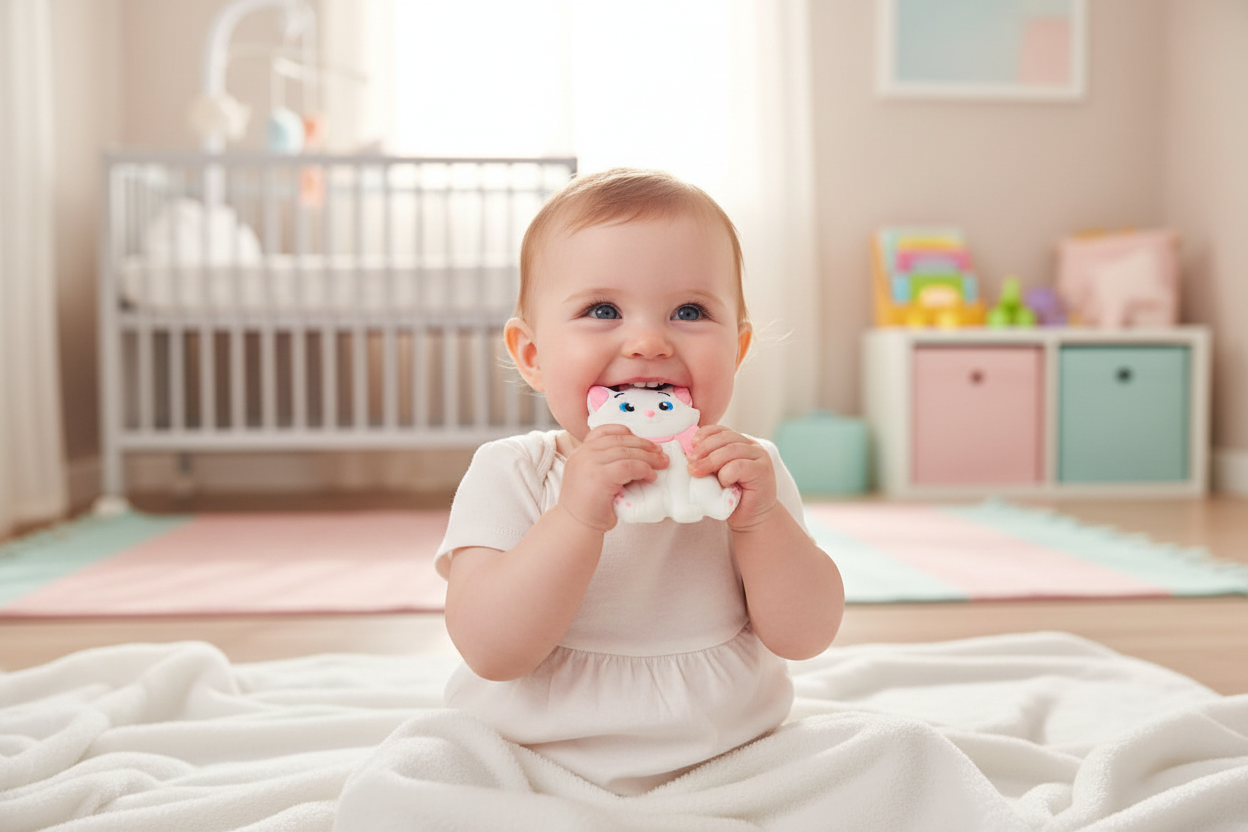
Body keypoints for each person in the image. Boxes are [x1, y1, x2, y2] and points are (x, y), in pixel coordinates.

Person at [434, 168, 844, 795]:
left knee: (888, 760)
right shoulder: (512, 472)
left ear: (736, 351)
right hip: (534, 757)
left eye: (689, 311)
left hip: (727, 757)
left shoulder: (745, 470)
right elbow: (492, 650)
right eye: (603, 310)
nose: (649, 340)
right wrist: (574, 518)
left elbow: (806, 635)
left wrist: (761, 522)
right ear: (533, 355)